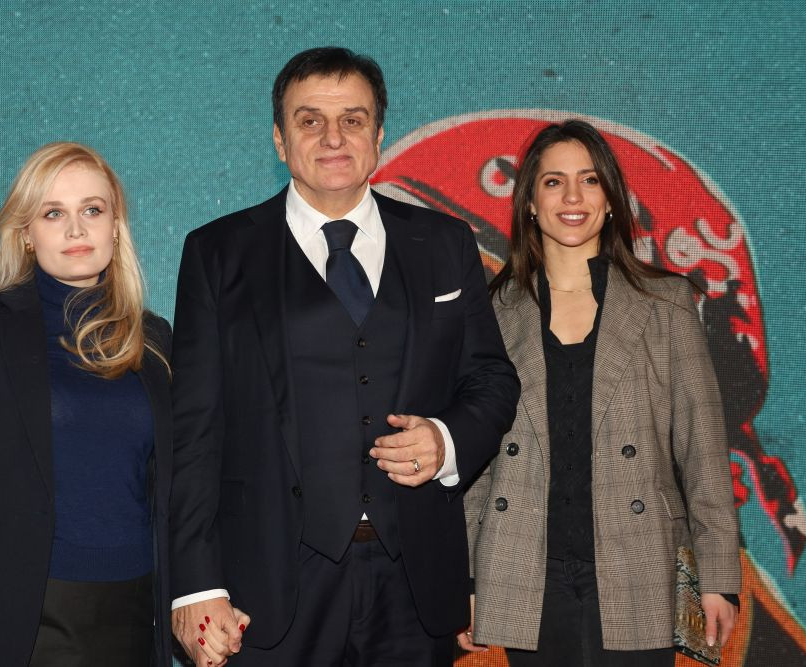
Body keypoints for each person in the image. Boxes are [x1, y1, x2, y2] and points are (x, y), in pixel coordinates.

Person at [169, 47, 520, 666]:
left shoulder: (444, 242)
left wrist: (445, 440)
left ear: (378, 136)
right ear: (279, 139)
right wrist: (197, 585)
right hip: (270, 585)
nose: (333, 138)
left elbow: (491, 378)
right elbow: (195, 427)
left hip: (415, 581)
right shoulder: (218, 252)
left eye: (352, 120)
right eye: (310, 120)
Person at [457, 120, 741, 665]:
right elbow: (476, 461)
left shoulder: (665, 304)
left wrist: (719, 576)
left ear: (610, 199)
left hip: (641, 566)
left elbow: (702, 450)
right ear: (529, 203)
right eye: (553, 182)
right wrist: (466, 576)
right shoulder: (492, 310)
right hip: (523, 570)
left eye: (589, 180)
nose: (573, 197)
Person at [0, 142, 176, 666]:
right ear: (26, 233)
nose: (75, 230)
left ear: (116, 225)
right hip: (19, 617)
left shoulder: (154, 339)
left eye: (92, 210)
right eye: (53, 213)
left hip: (133, 612)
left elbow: (176, 487)